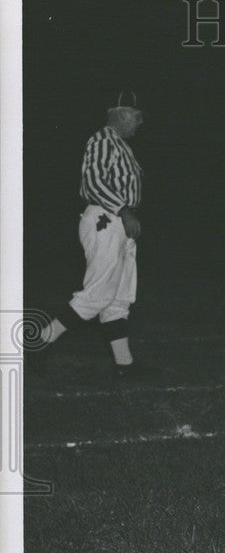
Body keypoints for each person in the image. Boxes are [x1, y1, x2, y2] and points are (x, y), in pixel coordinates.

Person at [37, 92, 144, 377]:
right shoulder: (102, 140)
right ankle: (40, 342)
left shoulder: (122, 146)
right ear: (121, 114)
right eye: (136, 116)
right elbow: (94, 181)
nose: (140, 123)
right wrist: (124, 210)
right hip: (105, 219)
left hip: (118, 222)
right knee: (97, 293)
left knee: (119, 299)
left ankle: (126, 366)